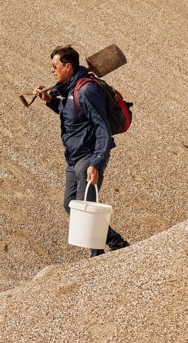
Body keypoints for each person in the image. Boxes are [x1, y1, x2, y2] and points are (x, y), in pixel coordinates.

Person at [35, 45, 130, 257]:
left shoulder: (87, 90)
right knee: (71, 206)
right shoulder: (70, 89)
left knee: (85, 208)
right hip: (74, 158)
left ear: (68, 66)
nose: (52, 70)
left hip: (88, 156)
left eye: (55, 66)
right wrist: (51, 101)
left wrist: (96, 162)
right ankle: (115, 243)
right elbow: (71, 114)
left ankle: (99, 255)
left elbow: (102, 127)